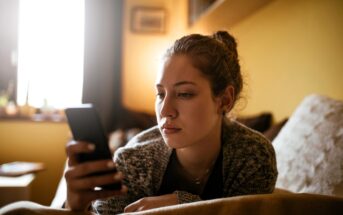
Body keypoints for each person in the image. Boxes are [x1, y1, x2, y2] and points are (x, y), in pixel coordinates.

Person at [64, 31, 278, 213]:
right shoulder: (133, 161)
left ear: (225, 100)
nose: (165, 111)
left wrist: (183, 205)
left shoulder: (253, 154)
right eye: (160, 94)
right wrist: (75, 208)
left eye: (184, 94)